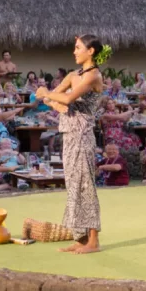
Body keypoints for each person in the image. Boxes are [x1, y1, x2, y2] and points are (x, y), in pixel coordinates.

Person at [45, 35, 106, 254]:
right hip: (69, 135)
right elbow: (52, 99)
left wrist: (51, 96)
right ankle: (80, 238)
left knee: (85, 185)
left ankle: (93, 241)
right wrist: (52, 98)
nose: (74, 51)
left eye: (78, 47)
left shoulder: (93, 76)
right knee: (72, 185)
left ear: (91, 51)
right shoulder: (73, 75)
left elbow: (67, 100)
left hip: (82, 136)